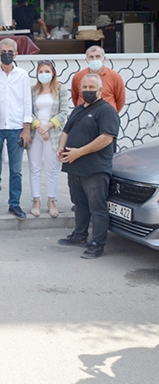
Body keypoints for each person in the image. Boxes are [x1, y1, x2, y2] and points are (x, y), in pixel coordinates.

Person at [57, 74, 120, 259]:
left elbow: (106, 138)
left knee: (97, 208)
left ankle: (97, 244)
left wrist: (80, 152)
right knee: (79, 204)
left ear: (100, 90)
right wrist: (61, 147)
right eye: (85, 88)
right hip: (74, 167)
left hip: (95, 169)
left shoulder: (107, 111)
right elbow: (66, 131)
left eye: (92, 88)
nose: (88, 91)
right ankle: (79, 235)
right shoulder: (78, 109)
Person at [0, 38, 32, 220]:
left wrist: (26, 128)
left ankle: (15, 204)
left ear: (16, 54)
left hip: (16, 127)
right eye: (3, 52)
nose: (6, 55)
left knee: (16, 170)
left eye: (10, 52)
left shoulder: (23, 75)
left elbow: (27, 101)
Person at [29, 60, 70, 218]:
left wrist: (48, 127)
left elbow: (64, 112)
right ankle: (36, 200)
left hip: (53, 135)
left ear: (53, 73)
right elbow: (28, 111)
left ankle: (51, 200)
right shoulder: (32, 91)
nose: (44, 74)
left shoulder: (61, 90)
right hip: (35, 134)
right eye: (41, 71)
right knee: (35, 168)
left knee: (51, 169)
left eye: (47, 71)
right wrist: (39, 126)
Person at [71, 46, 125, 113]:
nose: (94, 59)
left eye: (98, 56)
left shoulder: (115, 76)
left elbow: (120, 100)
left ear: (104, 58)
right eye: (91, 57)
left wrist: (111, 113)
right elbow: (75, 98)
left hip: (106, 116)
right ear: (86, 60)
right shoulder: (78, 77)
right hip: (83, 117)